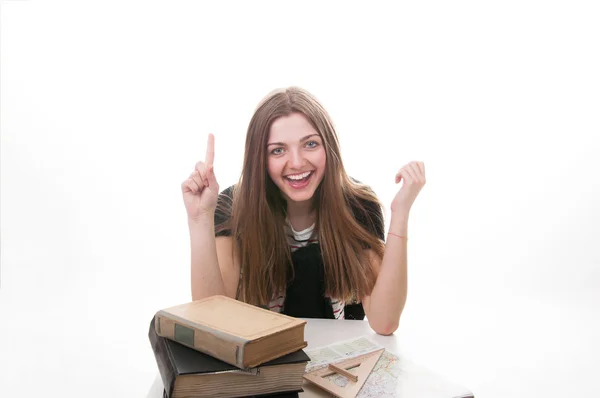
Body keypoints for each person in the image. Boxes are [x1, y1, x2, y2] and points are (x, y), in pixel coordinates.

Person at [181, 87, 425, 335]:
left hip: (335, 359)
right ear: (259, 159)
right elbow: (212, 323)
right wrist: (200, 219)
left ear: (328, 147)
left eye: (310, 144)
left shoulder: (358, 206)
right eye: (278, 150)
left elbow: (385, 322)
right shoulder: (233, 208)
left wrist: (401, 213)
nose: (297, 162)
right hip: (263, 361)